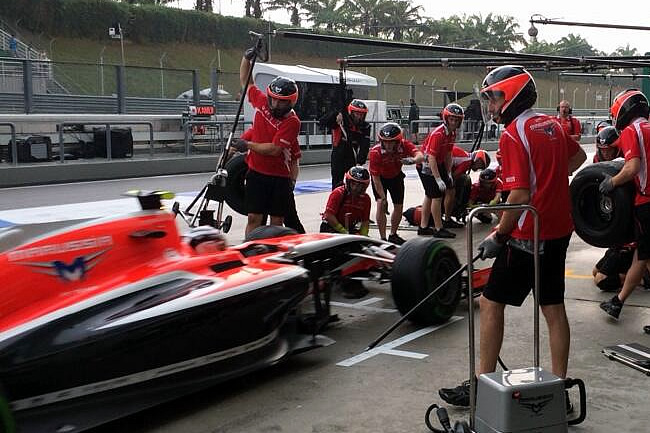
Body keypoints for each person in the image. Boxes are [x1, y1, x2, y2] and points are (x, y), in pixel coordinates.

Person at [439, 65, 586, 409]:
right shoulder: (550, 123)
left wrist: (498, 235)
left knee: (491, 302)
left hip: (526, 232)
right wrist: (549, 180)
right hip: (559, 229)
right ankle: (559, 389)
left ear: (513, 95)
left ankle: (480, 384)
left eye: (495, 97)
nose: (491, 106)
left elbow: (518, 196)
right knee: (552, 308)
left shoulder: (514, 133)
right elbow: (577, 157)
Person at [233, 48, 300, 237]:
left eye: (282, 102)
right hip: (256, 173)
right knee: (254, 218)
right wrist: (246, 57)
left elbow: (274, 149)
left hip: (279, 177)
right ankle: (249, 248)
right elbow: (247, 81)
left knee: (277, 221)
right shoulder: (262, 101)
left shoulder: (292, 122)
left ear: (291, 103)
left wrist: (247, 146)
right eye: (274, 100)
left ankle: (273, 252)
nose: (276, 105)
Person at [598, 89, 650, 321]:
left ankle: (618, 302)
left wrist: (612, 182)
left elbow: (632, 167)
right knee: (643, 256)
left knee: (644, 256)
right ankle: (617, 302)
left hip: (647, 202)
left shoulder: (632, 130)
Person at [368, 122, 423, 244]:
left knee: (399, 206)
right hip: (380, 179)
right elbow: (376, 179)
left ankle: (393, 234)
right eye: (385, 141)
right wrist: (383, 198)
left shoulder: (404, 145)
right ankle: (382, 238)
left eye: (391, 142)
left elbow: (420, 155)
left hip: (396, 176)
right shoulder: (375, 152)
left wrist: (413, 160)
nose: (388, 145)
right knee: (381, 205)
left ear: (398, 141)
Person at [416, 103, 465, 238]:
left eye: (456, 120)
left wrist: (448, 172)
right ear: (446, 118)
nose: (454, 122)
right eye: (451, 119)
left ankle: (424, 226)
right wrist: (438, 179)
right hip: (426, 165)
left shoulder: (452, 134)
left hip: (437, 163)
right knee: (436, 196)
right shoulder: (438, 134)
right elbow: (431, 157)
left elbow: (449, 154)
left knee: (429, 195)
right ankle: (438, 228)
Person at [320, 99, 371, 189]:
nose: (359, 117)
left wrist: (360, 161)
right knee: (337, 184)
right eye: (357, 114)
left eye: (362, 114)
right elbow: (322, 122)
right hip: (338, 156)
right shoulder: (341, 121)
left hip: (352, 157)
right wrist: (335, 115)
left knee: (354, 183)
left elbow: (365, 145)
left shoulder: (365, 127)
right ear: (351, 112)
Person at [320, 166, 371, 236]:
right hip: (331, 227)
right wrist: (343, 231)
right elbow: (329, 215)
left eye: (359, 186)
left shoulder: (366, 199)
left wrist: (364, 236)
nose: (355, 188)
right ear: (348, 182)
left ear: (364, 187)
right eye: (353, 184)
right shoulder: (338, 193)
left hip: (349, 228)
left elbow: (365, 221)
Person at [449, 148, 491, 223]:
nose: (479, 169)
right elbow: (453, 178)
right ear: (478, 160)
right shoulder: (467, 161)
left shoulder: (465, 157)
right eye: (481, 166)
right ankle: (456, 209)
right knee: (465, 180)